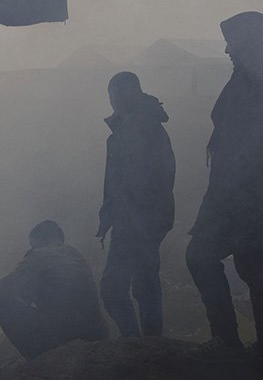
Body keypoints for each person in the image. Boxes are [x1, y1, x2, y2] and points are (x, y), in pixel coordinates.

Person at [186, 12, 263, 374]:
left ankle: (230, 343)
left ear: (250, 43)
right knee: (256, 269)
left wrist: (232, 184)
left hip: (245, 189)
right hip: (251, 188)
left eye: (232, 41)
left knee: (203, 257)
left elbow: (258, 139)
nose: (227, 49)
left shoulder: (262, 80)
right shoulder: (260, 77)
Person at [96, 72, 176, 338]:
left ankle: (137, 345)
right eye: (111, 95)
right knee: (144, 283)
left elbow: (135, 180)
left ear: (132, 93)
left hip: (137, 220)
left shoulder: (138, 128)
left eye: (116, 94)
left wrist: (122, 215)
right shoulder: (140, 125)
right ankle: (148, 346)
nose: (113, 101)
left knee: (114, 287)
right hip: (142, 218)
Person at [0, 220, 107, 360]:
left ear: (41, 240)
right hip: (96, 332)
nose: (31, 249)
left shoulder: (40, 256)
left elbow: (3, 289)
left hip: (65, 334)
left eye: (32, 244)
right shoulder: (74, 254)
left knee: (2, 303)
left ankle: (42, 360)